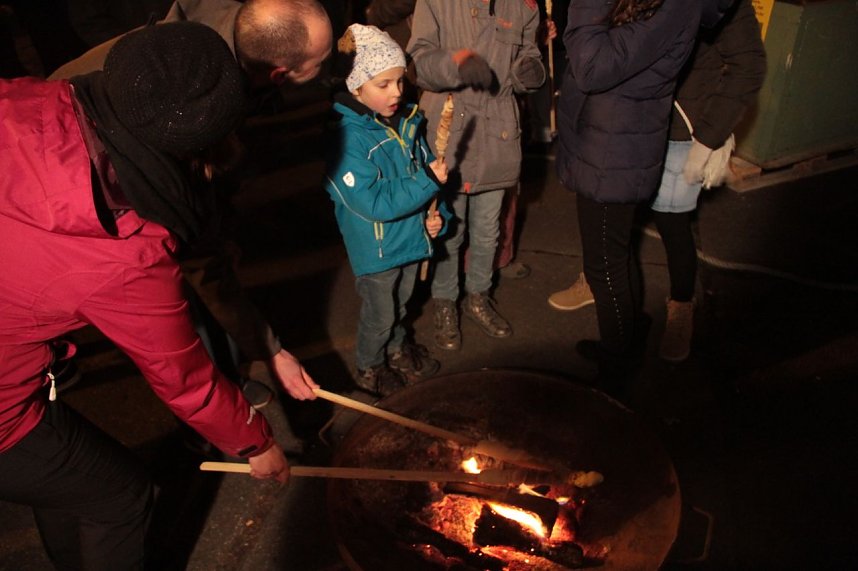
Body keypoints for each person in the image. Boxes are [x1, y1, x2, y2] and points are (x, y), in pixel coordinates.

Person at [0, 22, 289, 570]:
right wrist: (257, 443)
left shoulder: (26, 96)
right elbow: (186, 381)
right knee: (122, 497)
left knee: (70, 484)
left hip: (17, 368)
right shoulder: (126, 248)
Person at [49, 0, 334, 406]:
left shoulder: (231, 30)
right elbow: (199, 253)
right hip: (73, 187)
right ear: (278, 73)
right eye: (320, 61)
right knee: (176, 306)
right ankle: (210, 414)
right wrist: (268, 348)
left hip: (88, 155)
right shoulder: (187, 114)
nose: (329, 62)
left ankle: (224, 379)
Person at [549, 0, 766, 365]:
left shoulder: (682, 8)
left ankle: (652, 329)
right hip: (625, 130)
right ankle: (621, 316)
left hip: (649, 139)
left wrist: (708, 136)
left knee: (650, 237)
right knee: (614, 247)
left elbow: (592, 65)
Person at [408, 0, 546, 351]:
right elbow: (419, 62)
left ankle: (478, 296)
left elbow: (527, 54)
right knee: (450, 232)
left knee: (488, 230)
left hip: (497, 131)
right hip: (450, 128)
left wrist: (529, 72)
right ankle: (444, 300)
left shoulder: (524, 5)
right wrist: (454, 65)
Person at [324, 23, 448, 397]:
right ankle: (369, 365)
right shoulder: (345, 139)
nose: (397, 92)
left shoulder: (407, 122)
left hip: (410, 237)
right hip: (377, 248)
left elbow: (424, 171)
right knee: (379, 314)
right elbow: (373, 202)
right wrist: (428, 181)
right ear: (355, 86)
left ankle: (395, 349)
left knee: (401, 304)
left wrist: (435, 217)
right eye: (383, 85)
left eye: (399, 81)